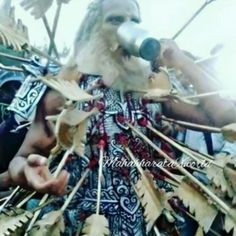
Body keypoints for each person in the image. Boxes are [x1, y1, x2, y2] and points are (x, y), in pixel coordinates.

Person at [4, 0, 236, 234]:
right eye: (115, 20)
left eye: (134, 20)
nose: (128, 27)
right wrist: (26, 171)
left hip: (146, 225)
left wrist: (181, 61)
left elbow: (225, 118)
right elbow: (21, 158)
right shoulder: (66, 89)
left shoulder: (152, 88)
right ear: (93, 30)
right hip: (78, 225)